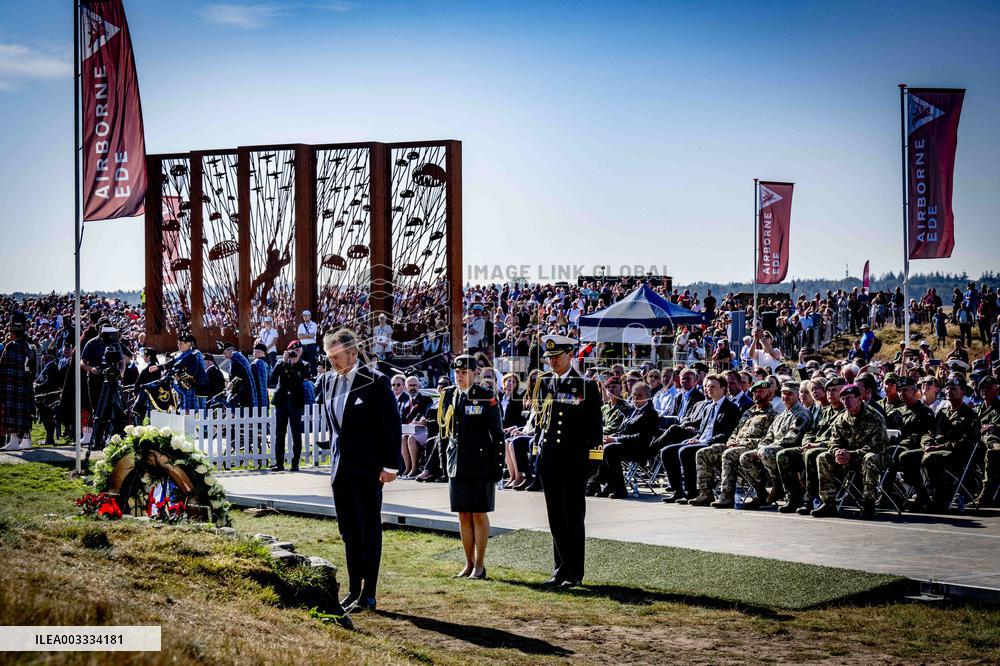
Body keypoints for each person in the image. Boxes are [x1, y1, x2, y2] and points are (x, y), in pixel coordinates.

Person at [316, 328, 401, 613]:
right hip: (340, 469)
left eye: (337, 356)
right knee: (348, 531)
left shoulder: (375, 381)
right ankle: (353, 589)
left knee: (368, 529)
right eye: (329, 357)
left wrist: (391, 465)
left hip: (368, 468)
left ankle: (369, 592)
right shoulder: (327, 381)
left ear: (353, 353)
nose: (332, 363)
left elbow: (390, 426)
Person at [531, 334, 602, 588]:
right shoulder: (544, 383)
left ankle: (574, 573)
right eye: (549, 357)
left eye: (556, 357)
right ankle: (559, 569)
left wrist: (593, 462)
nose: (552, 362)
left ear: (570, 355)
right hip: (550, 459)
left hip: (573, 461)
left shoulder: (585, 385)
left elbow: (595, 429)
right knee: (555, 517)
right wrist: (537, 454)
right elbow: (541, 423)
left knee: (572, 517)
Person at [438, 354, 505, 580]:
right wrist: (442, 463)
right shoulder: (448, 395)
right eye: (456, 373)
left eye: (464, 372)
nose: (459, 376)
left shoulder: (486, 397)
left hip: (480, 464)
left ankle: (480, 564)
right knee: (463, 515)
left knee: (478, 514)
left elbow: (497, 434)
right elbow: (444, 434)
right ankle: (467, 563)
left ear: (475, 373)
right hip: (456, 463)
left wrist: (497, 467)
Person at [900, 375, 980, 512]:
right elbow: (930, 432)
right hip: (935, 449)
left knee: (930, 458)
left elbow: (967, 442)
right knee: (905, 456)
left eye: (954, 389)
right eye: (947, 388)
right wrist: (926, 444)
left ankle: (940, 500)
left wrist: (938, 447)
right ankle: (922, 495)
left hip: (956, 454)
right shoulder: (942, 411)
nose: (949, 391)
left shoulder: (970, 414)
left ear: (963, 392)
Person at [691, 380, 775, 508]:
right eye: (755, 392)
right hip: (735, 445)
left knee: (728, 454)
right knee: (703, 453)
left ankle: (727, 496)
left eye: (761, 392)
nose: (758, 394)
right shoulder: (748, 412)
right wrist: (731, 441)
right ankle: (705, 493)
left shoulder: (772, 415)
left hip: (751, 449)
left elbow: (768, 439)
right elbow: (736, 431)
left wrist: (740, 443)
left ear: (769, 394)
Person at [811, 384, 888, 519]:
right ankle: (828, 503)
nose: (846, 402)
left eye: (850, 398)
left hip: (873, 458)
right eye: (844, 399)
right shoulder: (841, 419)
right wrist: (837, 452)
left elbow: (878, 446)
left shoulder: (874, 417)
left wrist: (851, 454)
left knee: (870, 457)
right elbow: (833, 442)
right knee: (823, 457)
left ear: (859, 398)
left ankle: (869, 504)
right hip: (847, 459)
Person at [739, 380, 812, 509]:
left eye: (789, 393)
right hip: (772, 450)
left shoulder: (801, 414)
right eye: (783, 393)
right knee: (745, 457)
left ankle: (781, 489)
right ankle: (761, 492)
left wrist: (767, 448)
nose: (785, 396)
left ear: (797, 396)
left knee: (765, 452)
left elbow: (792, 438)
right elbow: (769, 436)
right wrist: (762, 446)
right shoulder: (781, 416)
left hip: (791, 451)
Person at [594, 381, 661, 499]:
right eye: (634, 394)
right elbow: (622, 430)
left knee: (610, 449)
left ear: (648, 397)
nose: (636, 397)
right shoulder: (632, 410)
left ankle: (620, 488)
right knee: (600, 445)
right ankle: (605, 484)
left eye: (640, 395)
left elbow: (641, 437)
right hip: (626, 444)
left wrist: (614, 439)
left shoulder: (650, 413)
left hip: (642, 448)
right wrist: (609, 437)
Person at [270, 340, 310, 471]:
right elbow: (273, 377)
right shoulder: (281, 363)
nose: (295, 352)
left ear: (301, 351)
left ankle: (295, 463)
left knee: (296, 433)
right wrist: (283, 360)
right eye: (292, 351)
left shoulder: (304, 365)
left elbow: (304, 377)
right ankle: (279, 463)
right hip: (282, 401)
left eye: (298, 350)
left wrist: (296, 362)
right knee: (279, 433)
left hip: (295, 401)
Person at [0, 316, 35, 451]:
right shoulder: (29, 347)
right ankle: (26, 441)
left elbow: (4, 367)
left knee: (12, 412)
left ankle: (14, 441)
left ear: (13, 333)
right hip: (26, 384)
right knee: (25, 412)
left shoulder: (11, 346)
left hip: (13, 384)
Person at [400, 376, 433, 478]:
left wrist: (419, 420)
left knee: (410, 438)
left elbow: (425, 414)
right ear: (406, 387)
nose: (412, 387)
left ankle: (415, 469)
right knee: (403, 438)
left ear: (419, 386)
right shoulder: (405, 402)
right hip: (410, 431)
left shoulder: (425, 399)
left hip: (423, 431)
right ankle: (407, 468)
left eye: (415, 385)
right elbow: (402, 420)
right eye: (410, 385)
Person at [975, 376, 1000, 507]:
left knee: (992, 449)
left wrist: (995, 426)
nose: (985, 391)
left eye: (989, 388)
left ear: (996, 390)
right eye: (983, 388)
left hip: (994, 443)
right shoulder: (976, 409)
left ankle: (987, 492)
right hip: (975, 444)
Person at [251, 343, 272, 410]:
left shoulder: (259, 362)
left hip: (258, 395)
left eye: (255, 351)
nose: (253, 353)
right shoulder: (267, 363)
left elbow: (260, 383)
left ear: (262, 352)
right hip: (264, 395)